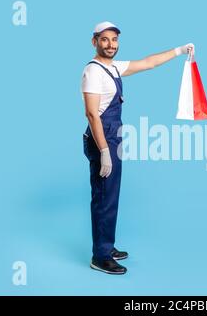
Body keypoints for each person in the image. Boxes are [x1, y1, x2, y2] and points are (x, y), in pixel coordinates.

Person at [81, 21, 194, 275]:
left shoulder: (114, 68)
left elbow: (148, 62)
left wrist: (179, 50)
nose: (111, 45)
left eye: (114, 40)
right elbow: (91, 113)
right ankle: (100, 256)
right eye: (105, 39)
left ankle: (106, 246)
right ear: (94, 41)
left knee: (111, 196)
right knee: (102, 197)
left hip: (113, 137)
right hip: (102, 139)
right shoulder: (93, 71)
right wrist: (103, 151)